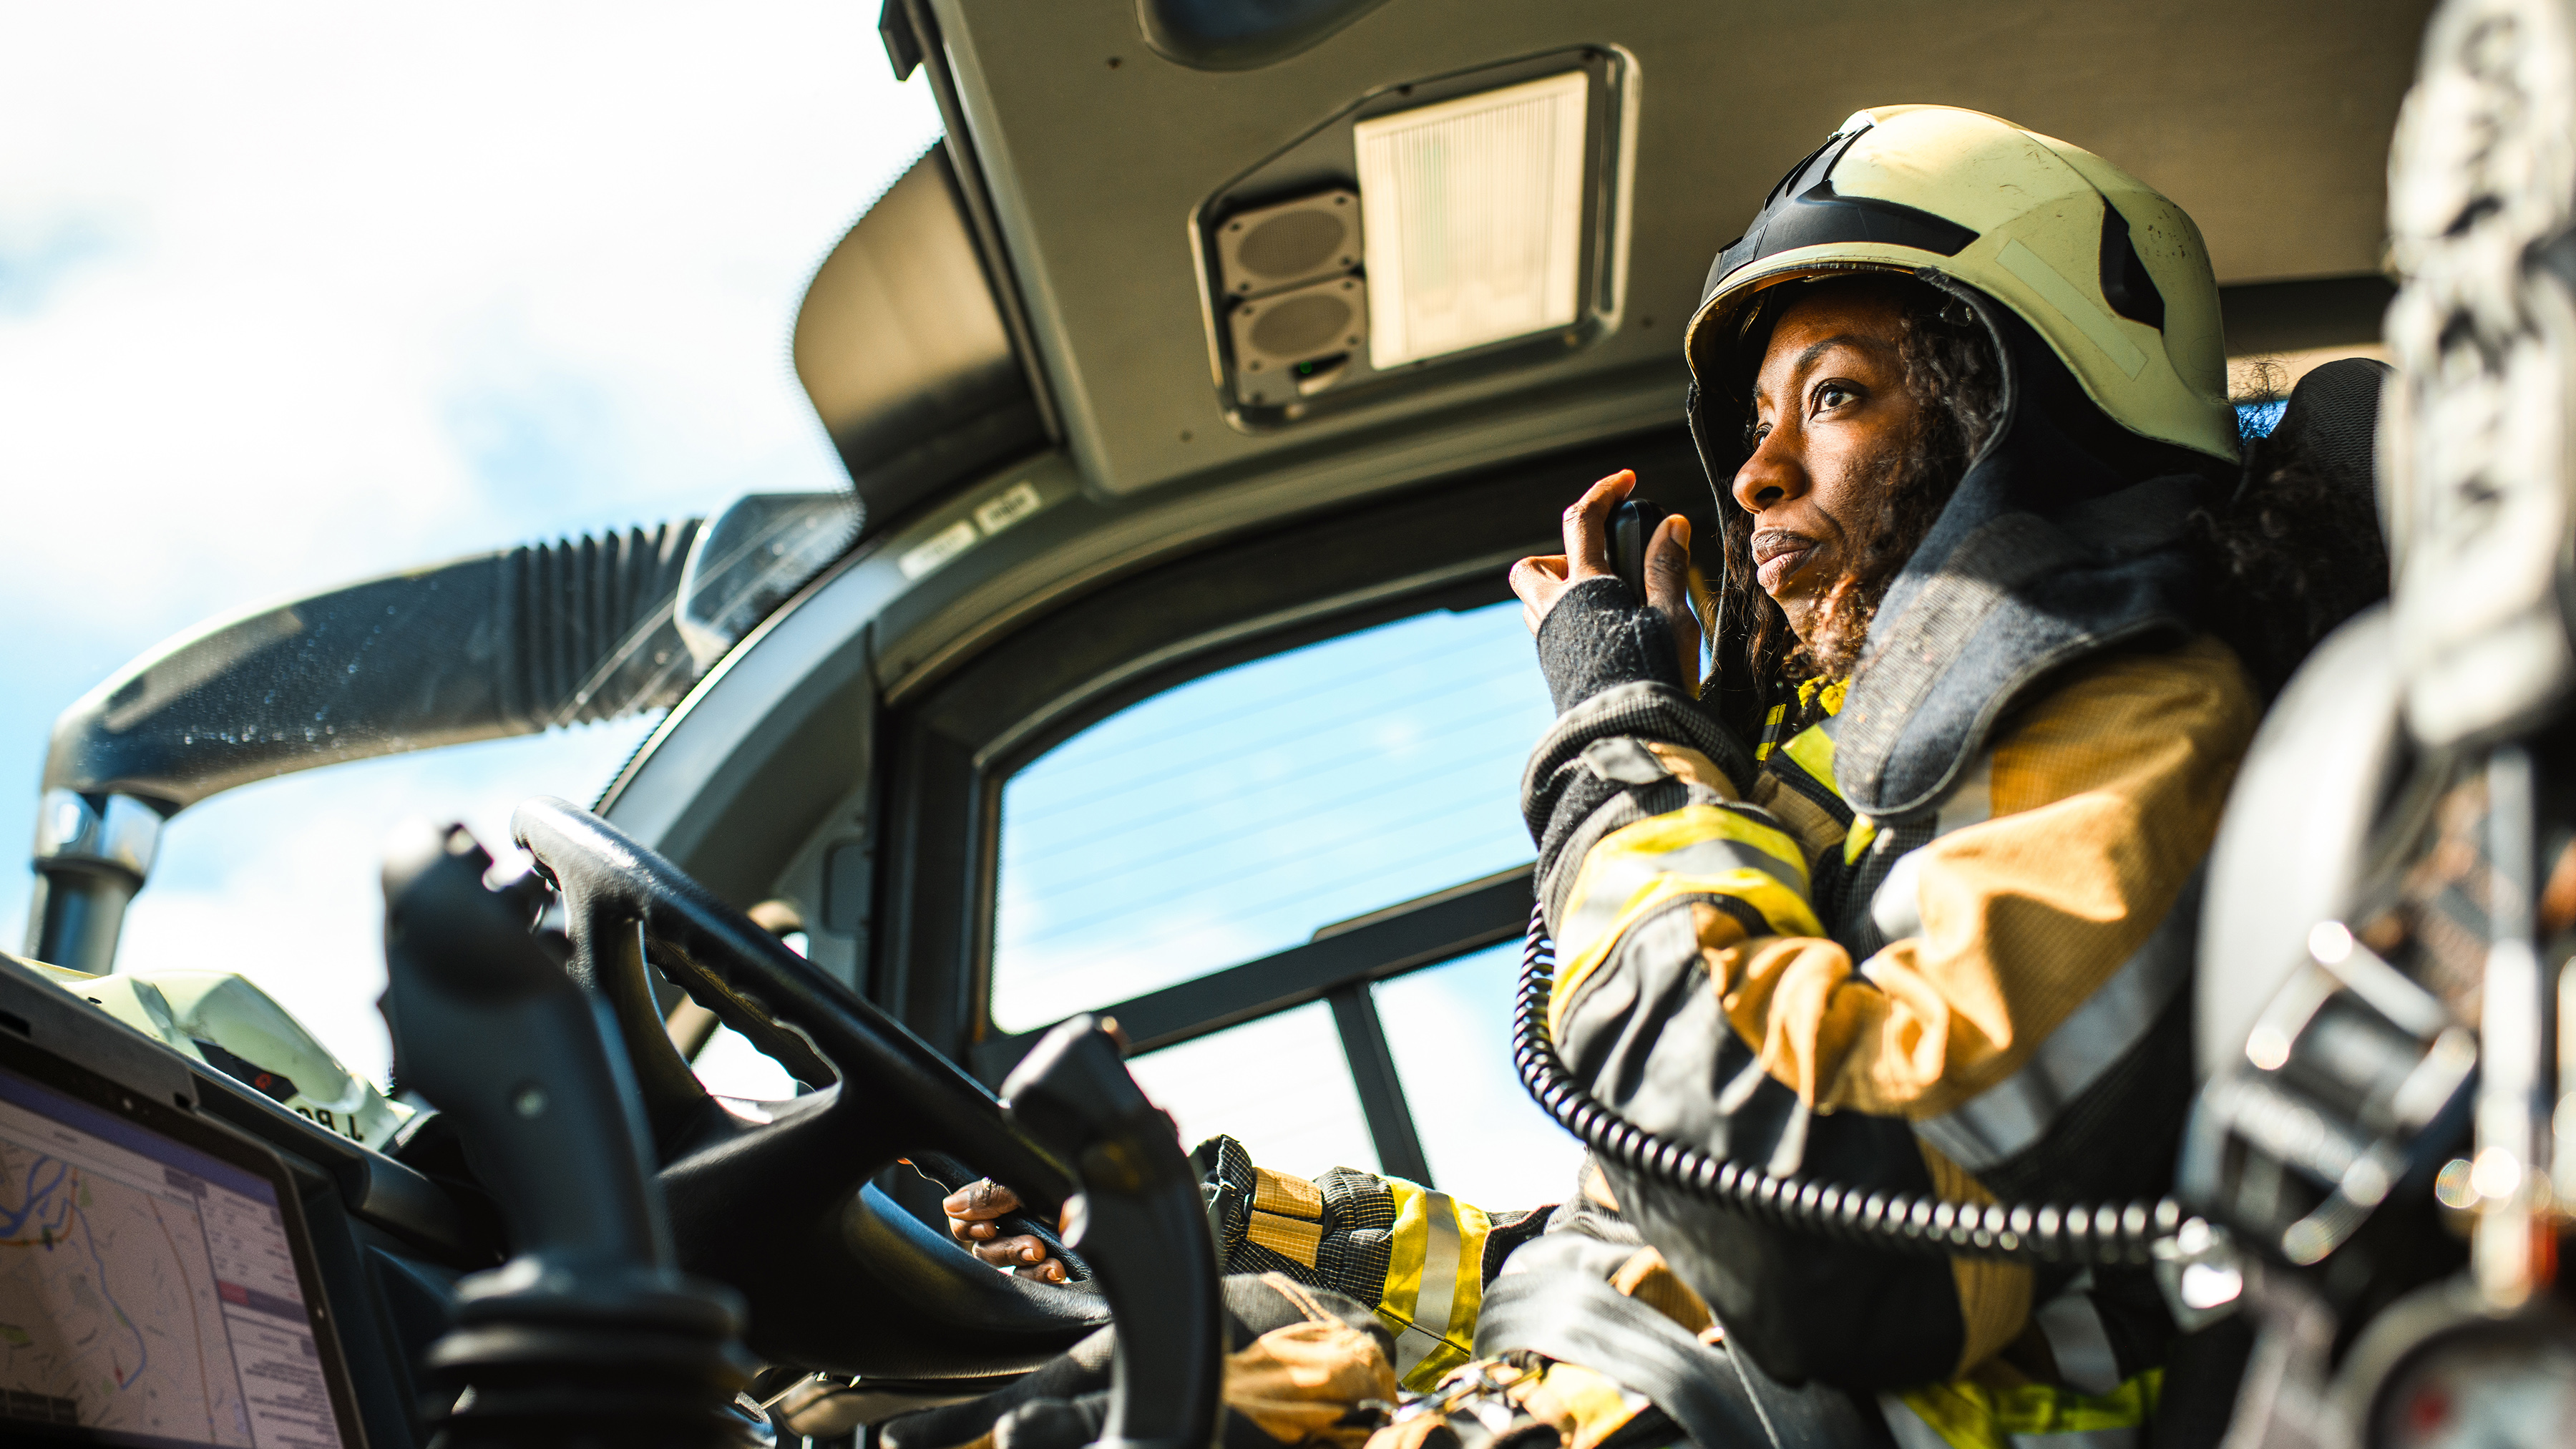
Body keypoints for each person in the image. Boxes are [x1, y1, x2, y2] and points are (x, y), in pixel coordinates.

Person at [922, 104, 2387, 1449]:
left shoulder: (2130, 717)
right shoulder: (1866, 794)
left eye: (1835, 397)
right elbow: (1618, 1263)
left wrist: (1622, 743)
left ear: (2011, 418)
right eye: (1757, 421)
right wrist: (1231, 1221)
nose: (1751, 478)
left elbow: (1825, 1223)